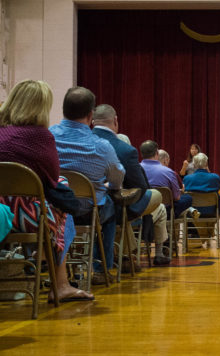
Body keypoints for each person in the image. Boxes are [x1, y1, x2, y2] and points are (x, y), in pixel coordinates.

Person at [0, 79, 94, 301]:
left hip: (1, 210)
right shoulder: (40, 137)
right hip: (24, 217)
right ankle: (60, 284)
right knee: (61, 200)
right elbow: (51, 178)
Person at [50, 86, 125, 285]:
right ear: (91, 115)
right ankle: (101, 269)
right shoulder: (102, 146)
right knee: (110, 206)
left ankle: (57, 270)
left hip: (54, 209)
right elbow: (117, 178)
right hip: (87, 209)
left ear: (64, 110)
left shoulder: (49, 137)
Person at [92, 104, 170, 266]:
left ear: (92, 121)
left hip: (77, 205)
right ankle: (130, 255)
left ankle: (127, 255)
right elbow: (140, 189)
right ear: (115, 121)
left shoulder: (79, 144)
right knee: (153, 196)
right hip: (110, 207)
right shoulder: (125, 150)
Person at [183, 152, 220, 217]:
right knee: (218, 195)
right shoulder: (215, 177)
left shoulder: (187, 179)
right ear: (206, 164)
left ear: (194, 165)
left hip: (193, 211)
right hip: (211, 211)